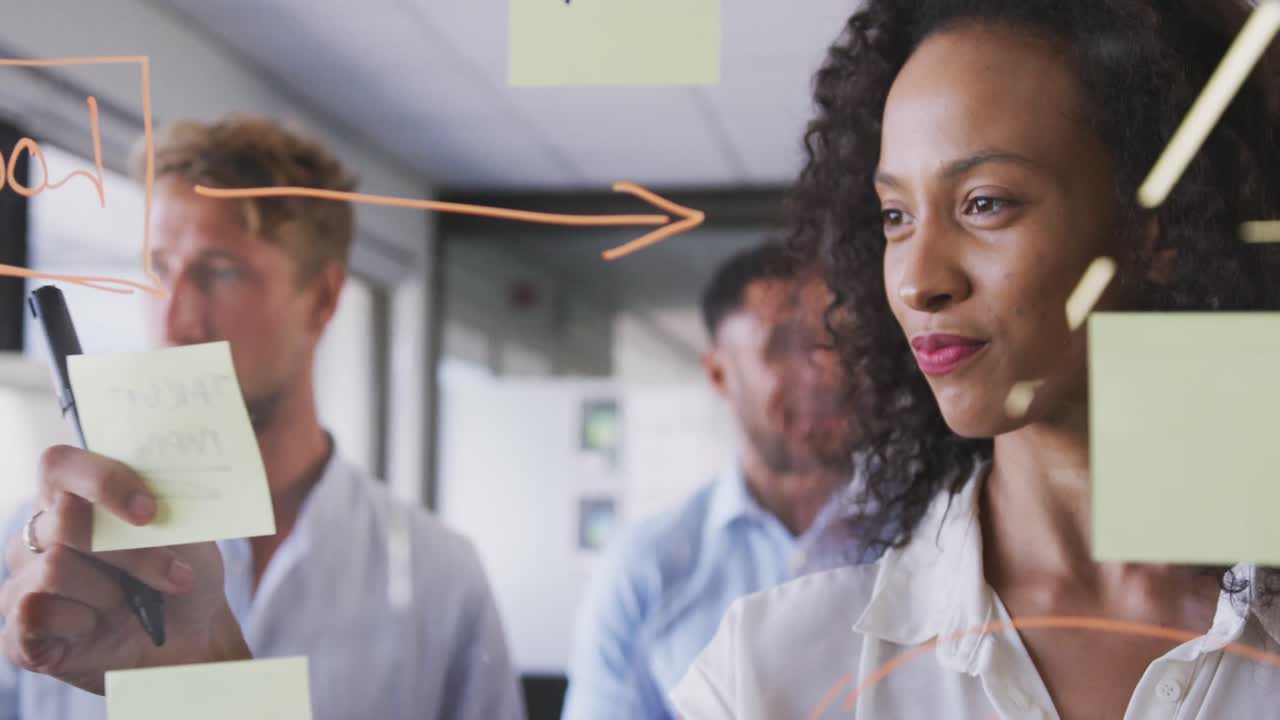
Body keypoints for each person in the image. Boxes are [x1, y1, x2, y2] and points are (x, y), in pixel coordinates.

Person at [668, 0, 1280, 718]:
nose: (919, 281)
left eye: (984, 204)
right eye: (896, 216)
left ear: (1158, 228)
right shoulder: (768, 676)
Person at [0, 115, 525, 720]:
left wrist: (205, 683)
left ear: (323, 299)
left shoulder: (439, 577)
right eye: (162, 269)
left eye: (221, 272)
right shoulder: (52, 554)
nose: (175, 322)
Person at [560, 243, 870, 720]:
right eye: (784, 347)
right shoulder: (646, 569)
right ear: (720, 373)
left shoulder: (930, 537)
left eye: (836, 340)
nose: (825, 372)